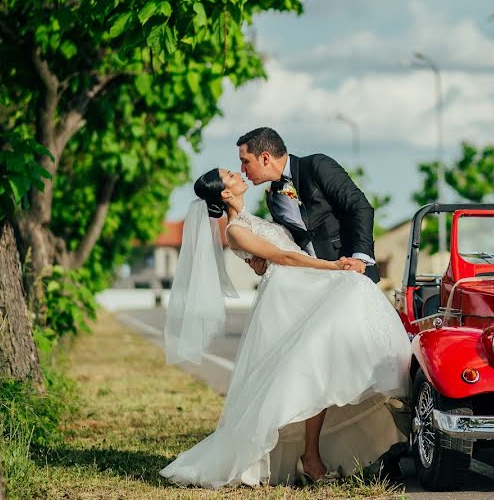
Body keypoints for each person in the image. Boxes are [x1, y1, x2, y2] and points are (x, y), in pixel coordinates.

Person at [159, 168, 411, 488]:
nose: (238, 172)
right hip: (287, 299)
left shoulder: (258, 216)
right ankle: (311, 458)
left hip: (303, 289)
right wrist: (333, 266)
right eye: (229, 175)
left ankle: (352, 434)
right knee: (309, 368)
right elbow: (283, 257)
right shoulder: (236, 229)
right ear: (224, 193)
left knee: (321, 363)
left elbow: (281, 250)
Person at [236, 127, 380, 283]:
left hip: (352, 272)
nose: (242, 170)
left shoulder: (317, 165)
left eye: (245, 162)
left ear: (265, 158)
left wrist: (360, 258)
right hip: (313, 281)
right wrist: (266, 263)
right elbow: (290, 244)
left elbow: (360, 207)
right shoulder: (272, 198)